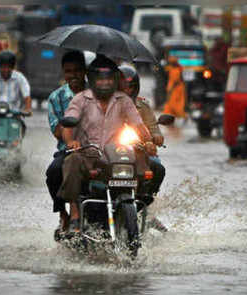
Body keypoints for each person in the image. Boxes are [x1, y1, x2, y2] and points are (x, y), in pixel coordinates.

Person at [57, 55, 156, 233]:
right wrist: (71, 141)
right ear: (92, 79)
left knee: (144, 163)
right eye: (100, 79)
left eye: (109, 79)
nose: (104, 83)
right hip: (87, 154)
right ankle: (74, 213)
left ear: (115, 79)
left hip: (115, 155)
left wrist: (148, 141)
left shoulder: (123, 100)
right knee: (71, 161)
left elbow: (138, 124)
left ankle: (139, 207)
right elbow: (67, 123)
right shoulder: (81, 99)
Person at [118, 64, 168, 232]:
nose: (127, 89)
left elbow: (153, 128)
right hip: (112, 151)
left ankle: (145, 204)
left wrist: (155, 138)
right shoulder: (107, 104)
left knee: (157, 167)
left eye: (130, 86)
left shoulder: (143, 106)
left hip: (139, 150)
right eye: (123, 85)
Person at [45, 50, 87, 233]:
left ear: (85, 71)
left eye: (78, 70)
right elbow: (57, 130)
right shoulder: (56, 98)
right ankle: (63, 213)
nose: (74, 75)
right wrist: (71, 139)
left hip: (96, 147)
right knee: (54, 171)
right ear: (63, 73)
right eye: (69, 71)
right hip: (68, 149)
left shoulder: (96, 92)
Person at [162, 56, 187, 120]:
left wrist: (171, 90)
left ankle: (182, 116)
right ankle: (171, 116)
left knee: (174, 104)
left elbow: (176, 81)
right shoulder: (174, 69)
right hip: (175, 89)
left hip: (176, 90)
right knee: (171, 104)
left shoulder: (176, 71)